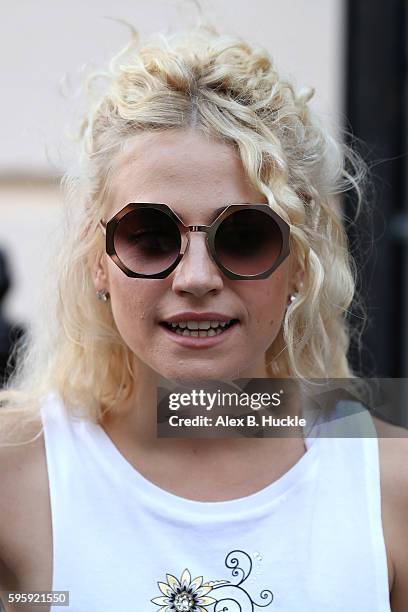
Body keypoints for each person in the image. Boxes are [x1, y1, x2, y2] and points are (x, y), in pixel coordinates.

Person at [0, 24, 407, 612]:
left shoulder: (388, 486)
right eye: (150, 235)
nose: (195, 278)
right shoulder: (16, 478)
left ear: (301, 263)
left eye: (243, 236)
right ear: (98, 260)